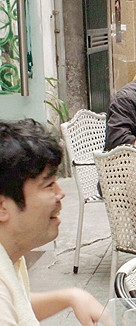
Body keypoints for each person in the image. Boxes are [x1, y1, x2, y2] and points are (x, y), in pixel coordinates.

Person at [0, 119, 104, 325]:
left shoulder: (11, 257)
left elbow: (17, 303)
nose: (61, 193)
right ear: (3, 207)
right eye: (48, 185)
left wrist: (70, 296)